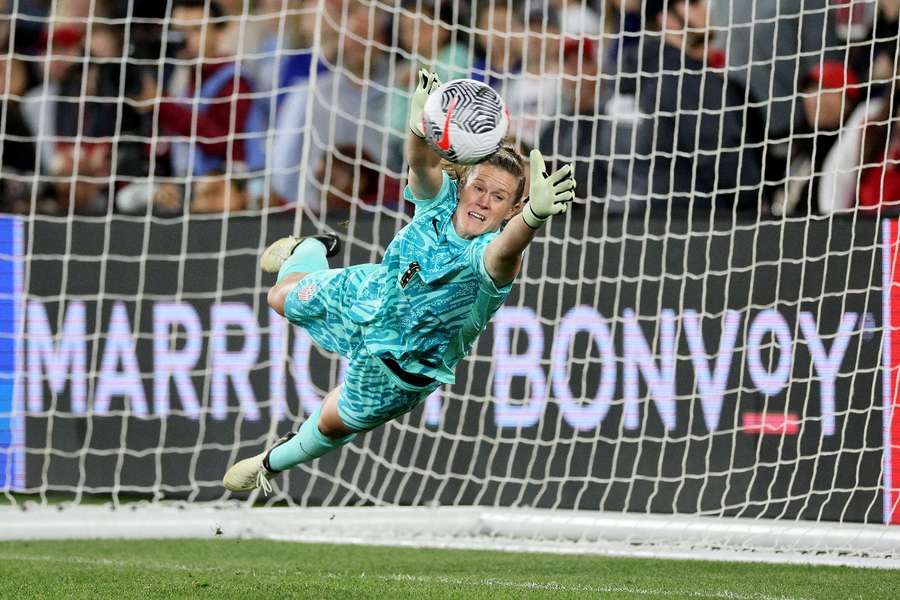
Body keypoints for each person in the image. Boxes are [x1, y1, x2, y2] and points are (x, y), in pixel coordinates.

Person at [223, 70, 576, 492]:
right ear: (463, 183)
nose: (483, 200)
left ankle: (269, 462)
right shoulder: (440, 199)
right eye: (479, 187)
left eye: (498, 198)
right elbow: (422, 162)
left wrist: (533, 219)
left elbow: (508, 250)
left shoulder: (493, 256)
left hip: (401, 370)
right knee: (278, 297)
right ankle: (310, 248)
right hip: (369, 294)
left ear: (510, 210)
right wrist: (419, 128)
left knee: (334, 425)